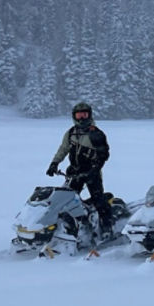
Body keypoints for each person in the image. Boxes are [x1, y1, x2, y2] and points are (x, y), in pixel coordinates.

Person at [46, 101, 115, 239]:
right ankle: (70, 227)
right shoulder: (71, 132)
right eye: (79, 115)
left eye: (84, 115)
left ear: (89, 115)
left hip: (92, 172)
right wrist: (54, 163)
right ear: (74, 116)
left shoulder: (96, 134)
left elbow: (104, 154)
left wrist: (95, 169)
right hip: (74, 172)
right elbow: (63, 149)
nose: (82, 118)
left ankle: (107, 228)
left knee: (98, 200)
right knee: (64, 201)